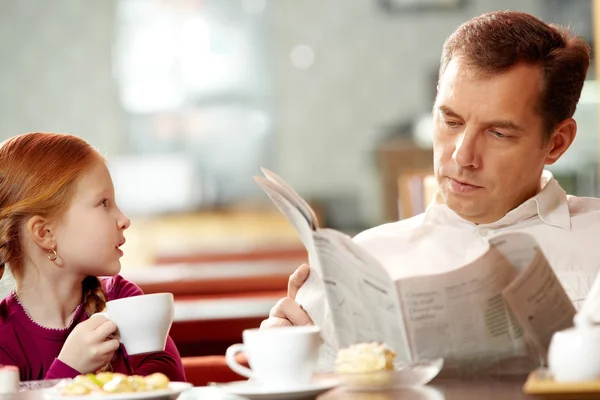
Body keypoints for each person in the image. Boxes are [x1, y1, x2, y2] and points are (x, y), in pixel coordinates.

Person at [261, 10, 600, 333]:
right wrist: (290, 350)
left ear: (556, 143)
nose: (463, 156)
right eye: (451, 121)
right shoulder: (366, 261)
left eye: (498, 133)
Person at [0, 132, 186, 382]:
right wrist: (69, 370)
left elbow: (168, 382)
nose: (124, 220)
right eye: (103, 203)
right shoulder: (4, 340)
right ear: (45, 233)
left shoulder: (123, 298)